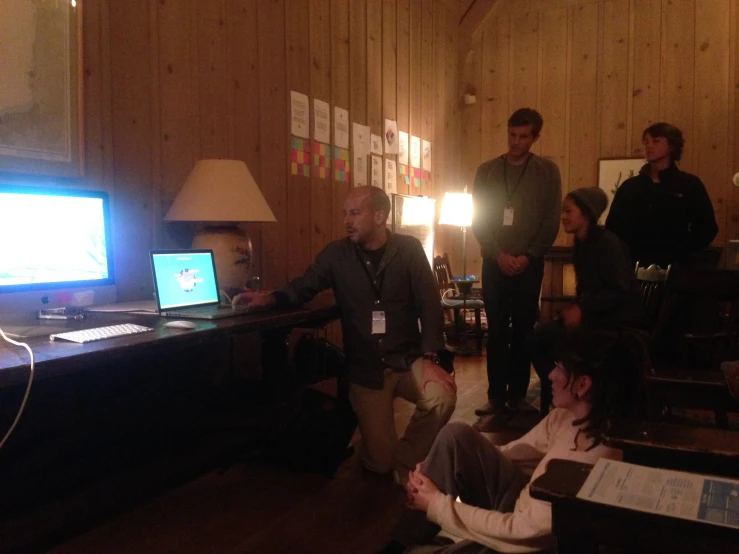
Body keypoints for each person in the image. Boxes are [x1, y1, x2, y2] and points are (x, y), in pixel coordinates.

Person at [232, 186, 456, 484]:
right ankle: (386, 452)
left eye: (355, 212)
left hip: (407, 360)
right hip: (365, 371)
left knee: (443, 396)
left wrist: (430, 358)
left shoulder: (409, 250)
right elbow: (305, 285)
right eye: (345, 213)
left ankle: (406, 460)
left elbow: (429, 304)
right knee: (379, 463)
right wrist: (270, 298)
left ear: (379, 216)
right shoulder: (336, 254)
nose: (347, 220)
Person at [383, 329, 649, 554]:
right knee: (456, 436)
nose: (550, 375)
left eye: (558, 367)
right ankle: (402, 541)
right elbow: (514, 453)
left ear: (583, 385)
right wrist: (439, 464)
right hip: (519, 505)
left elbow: (520, 534)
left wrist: (437, 504)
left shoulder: (590, 465)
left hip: (528, 543)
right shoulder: (565, 418)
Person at [471, 108, 562, 416]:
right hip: (493, 260)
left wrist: (529, 255)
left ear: (535, 137)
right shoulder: (487, 171)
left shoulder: (548, 171)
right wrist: (498, 254)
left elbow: (551, 219)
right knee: (496, 330)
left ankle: (518, 395)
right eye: (512, 134)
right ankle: (495, 395)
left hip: (530, 262)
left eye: (524, 136)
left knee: (524, 328)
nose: (516, 141)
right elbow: (479, 218)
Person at [528, 187, 646, 416]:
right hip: (596, 318)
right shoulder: (582, 245)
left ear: (586, 214)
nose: (563, 216)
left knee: (537, 339)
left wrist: (581, 309)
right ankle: (563, 391)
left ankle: (565, 394)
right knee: (534, 337)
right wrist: (571, 309)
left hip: (616, 325)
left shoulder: (607, 244)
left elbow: (618, 291)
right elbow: (589, 291)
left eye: (568, 211)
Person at [605, 122, 718, 269]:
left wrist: (682, 251)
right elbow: (613, 228)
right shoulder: (630, 187)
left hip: (677, 270)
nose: (649, 146)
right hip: (633, 270)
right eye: (646, 142)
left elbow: (707, 228)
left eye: (656, 141)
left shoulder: (689, 185)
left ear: (671, 146)